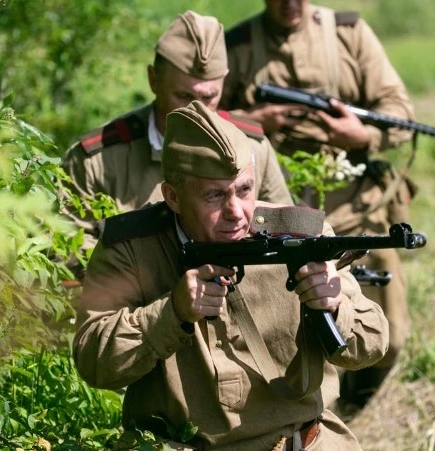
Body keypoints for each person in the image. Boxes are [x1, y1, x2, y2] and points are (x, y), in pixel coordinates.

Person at [73, 100, 389, 450]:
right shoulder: (131, 248)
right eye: (214, 195)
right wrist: (171, 313)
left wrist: (333, 307)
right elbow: (93, 362)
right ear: (173, 196)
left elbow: (372, 344)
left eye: (245, 190)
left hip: (301, 442)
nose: (236, 212)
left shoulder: (300, 233)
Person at [220, 0, 416, 410]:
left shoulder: (348, 34)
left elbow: (399, 111)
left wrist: (360, 136)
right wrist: (253, 121)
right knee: (292, 347)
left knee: (389, 337)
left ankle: (355, 410)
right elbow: (200, 120)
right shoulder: (237, 46)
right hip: (277, 222)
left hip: (357, 212)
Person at [59, 11, 293, 280]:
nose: (197, 110)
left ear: (223, 85)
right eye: (183, 95)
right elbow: (65, 249)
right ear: (153, 80)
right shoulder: (97, 159)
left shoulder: (253, 148)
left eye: (209, 97)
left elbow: (284, 228)